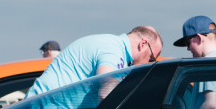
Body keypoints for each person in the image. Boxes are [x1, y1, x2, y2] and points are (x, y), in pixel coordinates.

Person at [27, 27, 162, 98]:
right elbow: (107, 87)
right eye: (151, 58)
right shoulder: (113, 49)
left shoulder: (113, 45)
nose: (149, 64)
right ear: (143, 44)